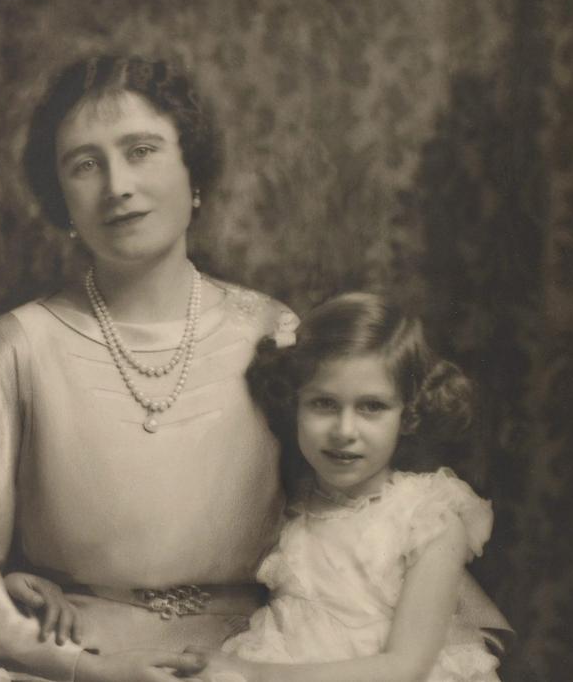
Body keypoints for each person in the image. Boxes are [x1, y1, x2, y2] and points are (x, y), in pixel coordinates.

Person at [0, 55, 299, 681]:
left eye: (142, 150)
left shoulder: (273, 332)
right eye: (85, 165)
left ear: (194, 172)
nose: (117, 185)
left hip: (260, 654)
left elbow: (344, 513)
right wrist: (79, 662)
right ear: (62, 198)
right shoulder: (17, 347)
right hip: (83, 660)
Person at [191, 292, 503, 681]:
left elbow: (404, 667)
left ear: (408, 414)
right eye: (323, 403)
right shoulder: (288, 501)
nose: (344, 431)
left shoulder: (428, 519)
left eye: (372, 407)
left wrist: (252, 674)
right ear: (295, 404)